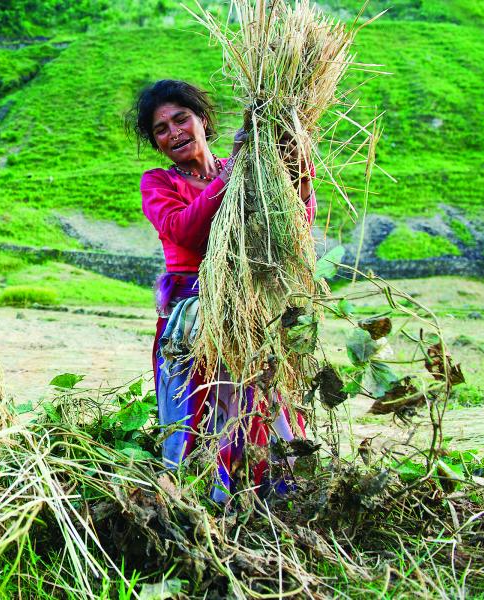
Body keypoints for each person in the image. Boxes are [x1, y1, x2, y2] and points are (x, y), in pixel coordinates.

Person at [131, 79, 315, 504]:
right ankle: (203, 507)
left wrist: (299, 173)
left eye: (181, 119)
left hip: (248, 309)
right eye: (161, 129)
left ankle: (269, 505)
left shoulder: (246, 172)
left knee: (260, 407)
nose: (174, 132)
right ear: (156, 143)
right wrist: (234, 167)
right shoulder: (159, 183)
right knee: (202, 412)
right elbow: (186, 231)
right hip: (195, 318)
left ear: (204, 120)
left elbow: (291, 232)